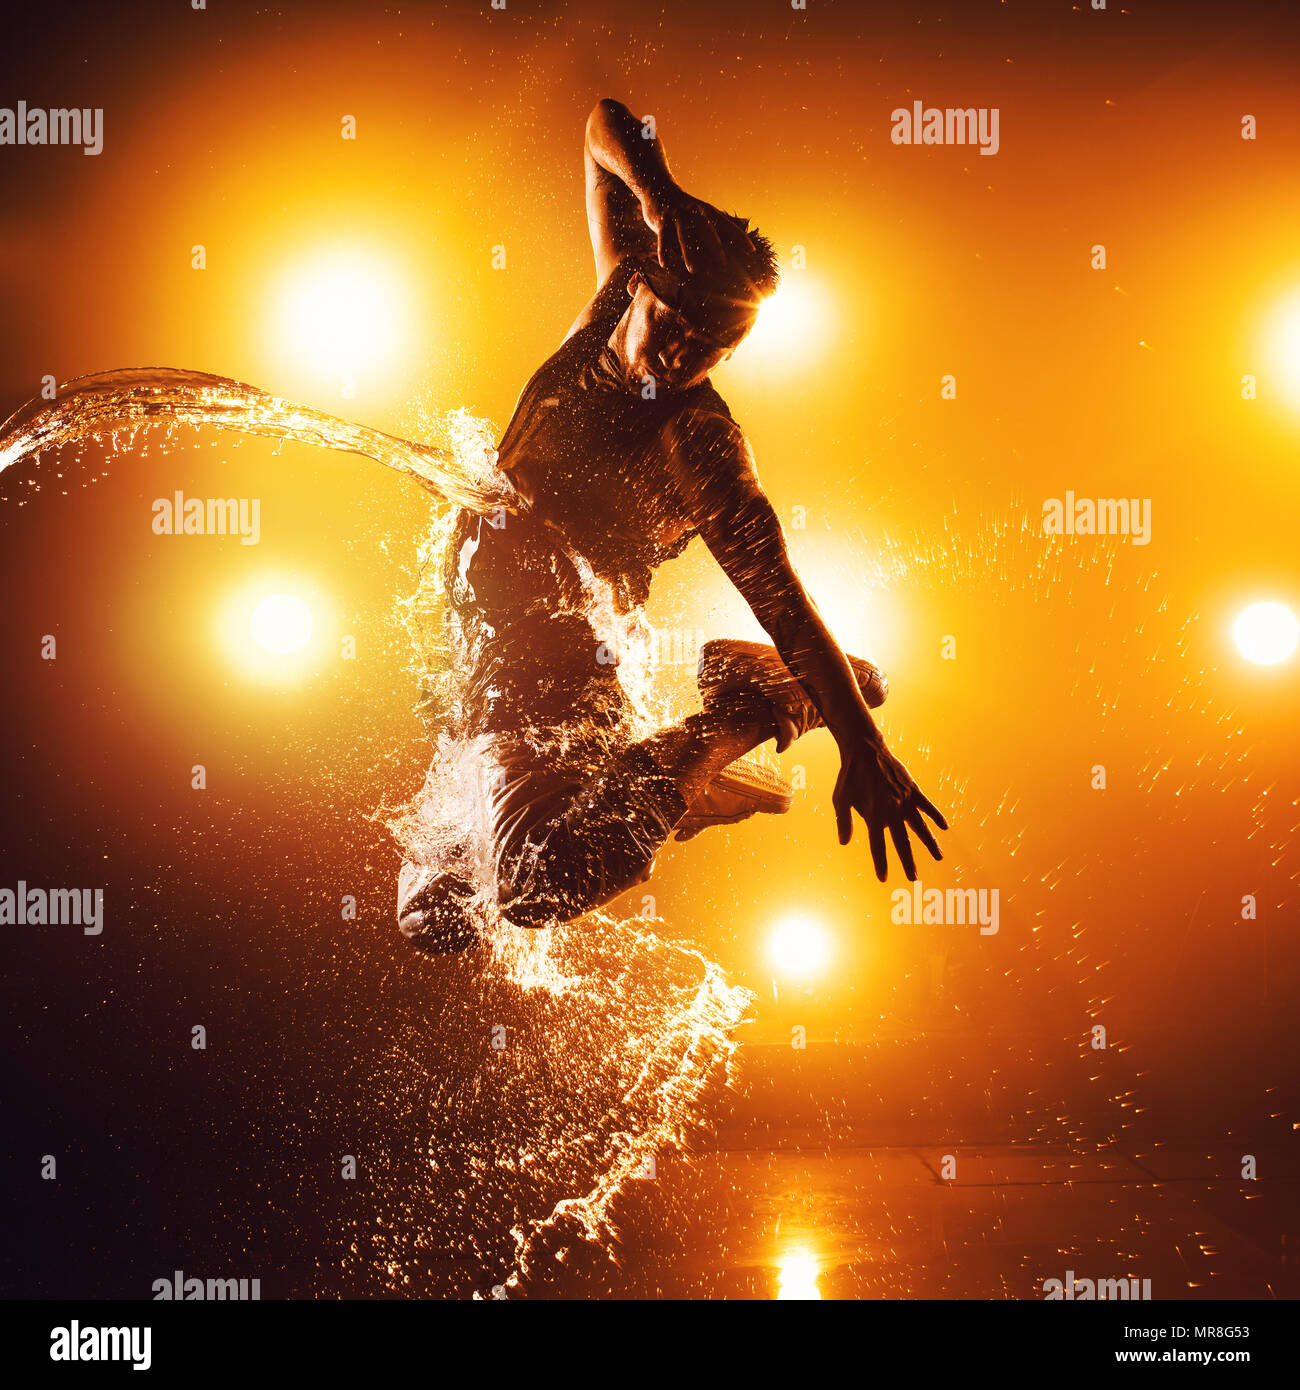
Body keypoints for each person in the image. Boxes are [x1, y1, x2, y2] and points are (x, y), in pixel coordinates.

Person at [397, 98, 945, 953]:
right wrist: (658, 191)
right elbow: (599, 124)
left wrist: (861, 745)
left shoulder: (700, 443)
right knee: (433, 918)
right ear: (643, 285)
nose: (683, 355)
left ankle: (743, 713)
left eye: (715, 347)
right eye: (678, 324)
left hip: (559, 678)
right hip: (481, 664)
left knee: (534, 886)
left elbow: (785, 601)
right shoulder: (613, 298)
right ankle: (687, 779)